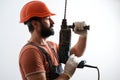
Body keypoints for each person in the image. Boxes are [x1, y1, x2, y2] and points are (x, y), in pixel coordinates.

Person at [19, 1, 88, 80]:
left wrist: (83, 35)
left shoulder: (51, 46)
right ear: (35, 24)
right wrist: (66, 74)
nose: (52, 22)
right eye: (48, 18)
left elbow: (77, 52)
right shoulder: (30, 52)